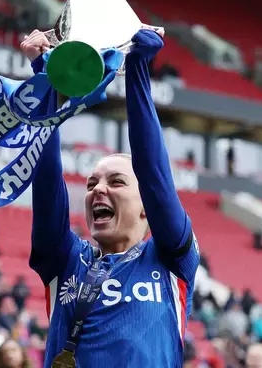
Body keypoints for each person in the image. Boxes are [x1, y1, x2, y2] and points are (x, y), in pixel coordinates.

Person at [20, 27, 199, 367]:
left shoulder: (171, 260)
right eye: (91, 185)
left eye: (116, 182)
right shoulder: (67, 260)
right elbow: (45, 183)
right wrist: (46, 81)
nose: (98, 190)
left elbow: (154, 174)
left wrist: (138, 71)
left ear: (146, 206)